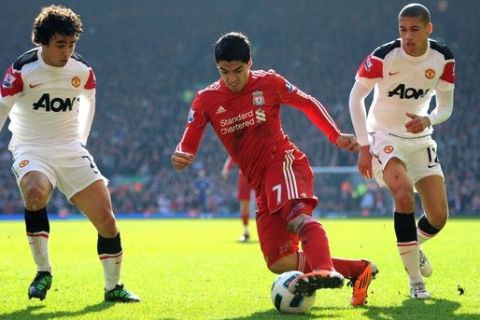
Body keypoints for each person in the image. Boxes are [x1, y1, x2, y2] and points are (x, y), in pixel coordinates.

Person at [172, 31, 378, 306]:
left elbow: (307, 103)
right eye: (224, 71)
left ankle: (324, 269)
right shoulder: (206, 99)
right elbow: (190, 136)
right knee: (278, 260)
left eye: (238, 70)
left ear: (250, 63)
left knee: (297, 219)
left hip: (282, 162)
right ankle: (357, 270)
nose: (231, 78)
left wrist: (335, 135)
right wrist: (183, 153)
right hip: (259, 182)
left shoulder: (269, 82)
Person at [0, 5, 140, 302]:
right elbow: (2, 108)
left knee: (107, 220)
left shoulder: (82, 70)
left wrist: (82, 140)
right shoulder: (22, 70)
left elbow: (89, 102)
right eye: (60, 45)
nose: (66, 52)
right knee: (35, 192)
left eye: (71, 44)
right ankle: (43, 271)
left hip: (70, 148)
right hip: (31, 147)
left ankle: (113, 287)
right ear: (43, 42)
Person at [349, 3, 455, 299]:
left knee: (438, 217)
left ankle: (412, 244)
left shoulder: (443, 57)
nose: (408, 36)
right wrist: (364, 146)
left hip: (420, 136)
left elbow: (446, 106)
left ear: (428, 29)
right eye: (403, 30)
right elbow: (355, 98)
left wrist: (427, 118)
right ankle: (416, 283)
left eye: (414, 30)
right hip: (383, 135)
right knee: (403, 193)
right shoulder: (383, 56)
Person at [221, 156, 254, 242]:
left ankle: (271, 231)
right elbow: (232, 155)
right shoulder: (241, 144)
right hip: (245, 176)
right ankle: (246, 231)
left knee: (266, 202)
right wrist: (226, 168)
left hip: (260, 173)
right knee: (244, 206)